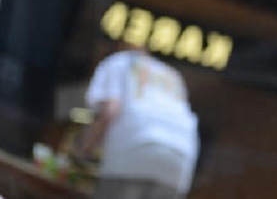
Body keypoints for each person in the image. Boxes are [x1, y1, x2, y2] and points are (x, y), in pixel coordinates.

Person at [73, 42, 199, 199]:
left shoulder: (118, 61)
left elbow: (110, 111)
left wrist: (84, 149)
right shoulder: (172, 75)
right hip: (181, 159)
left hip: (136, 147)